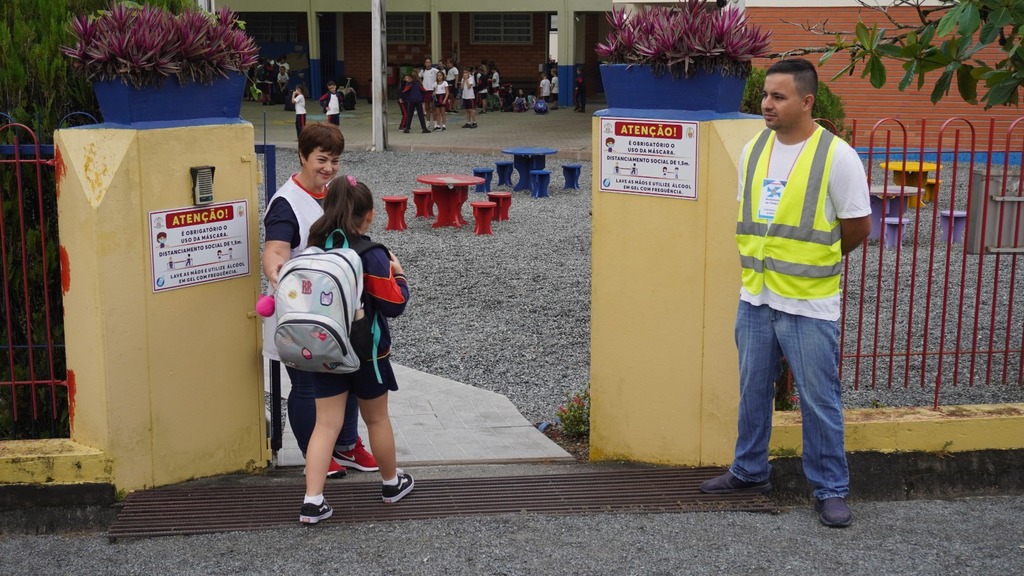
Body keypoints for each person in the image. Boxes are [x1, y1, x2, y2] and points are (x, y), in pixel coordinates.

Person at [698, 59, 871, 529]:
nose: (767, 104)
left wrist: (812, 264)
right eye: (765, 96)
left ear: (807, 101)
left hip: (808, 303)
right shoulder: (754, 150)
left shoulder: (837, 156)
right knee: (752, 390)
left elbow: (856, 228)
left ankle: (831, 489)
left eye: (779, 97)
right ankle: (750, 471)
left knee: (820, 399)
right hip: (756, 295)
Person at [262, 123, 380, 486]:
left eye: (335, 160)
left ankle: (345, 444)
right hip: (302, 315)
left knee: (345, 376)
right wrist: (284, 277)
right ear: (302, 156)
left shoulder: (336, 194)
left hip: (340, 311)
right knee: (307, 386)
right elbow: (276, 252)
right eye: (321, 159)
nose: (328, 167)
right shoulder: (286, 203)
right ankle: (314, 451)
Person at [297, 174, 413, 524]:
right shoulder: (371, 254)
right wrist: (401, 275)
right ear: (370, 215)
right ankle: (391, 484)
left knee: (326, 425)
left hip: (325, 349)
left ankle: (313, 501)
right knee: (376, 418)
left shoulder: (316, 245)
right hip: (368, 353)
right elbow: (394, 305)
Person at [420, 57, 437, 129]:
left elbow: (442, 76)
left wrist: (436, 87)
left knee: (434, 108)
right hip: (425, 91)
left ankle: (435, 123)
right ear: (424, 63)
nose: (428, 64)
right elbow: (418, 77)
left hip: (433, 91)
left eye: (429, 62)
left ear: (431, 63)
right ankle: (428, 122)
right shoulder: (422, 71)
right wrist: (422, 84)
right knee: (427, 107)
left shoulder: (435, 70)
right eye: (426, 62)